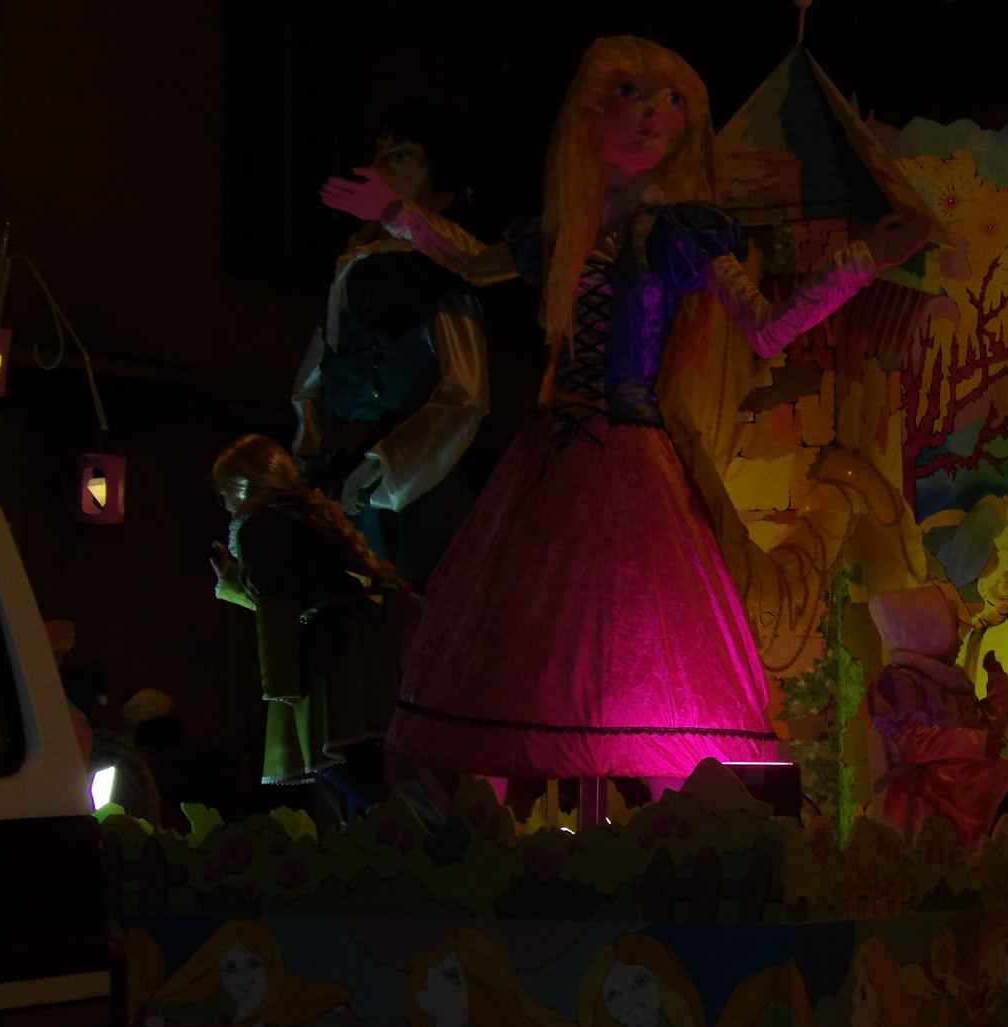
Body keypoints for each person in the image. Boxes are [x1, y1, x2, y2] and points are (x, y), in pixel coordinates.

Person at [319, 36, 929, 800]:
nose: (651, 117)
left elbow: (766, 326)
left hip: (632, 458)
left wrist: (861, 260)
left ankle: (648, 812)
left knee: (641, 638)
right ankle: (529, 814)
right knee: (535, 637)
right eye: (631, 96)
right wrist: (397, 213)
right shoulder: (562, 233)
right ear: (589, 113)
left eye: (672, 104)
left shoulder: (678, 232)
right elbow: (476, 262)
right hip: (552, 456)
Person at [292, 102, 488, 591]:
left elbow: (464, 393)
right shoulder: (354, 263)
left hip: (416, 486)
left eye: (401, 156)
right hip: (347, 480)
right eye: (378, 156)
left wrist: (388, 464)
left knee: (416, 603)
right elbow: (318, 370)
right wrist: (309, 454)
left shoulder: (437, 271)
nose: (381, 169)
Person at [209, 434, 411, 821]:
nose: (224, 502)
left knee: (341, 761)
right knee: (357, 761)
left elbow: (277, 607)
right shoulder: (308, 516)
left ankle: (398, 834)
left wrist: (281, 687)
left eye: (225, 491)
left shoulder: (261, 525)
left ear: (244, 485)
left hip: (330, 657)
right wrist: (234, 581)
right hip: (361, 651)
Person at [866, 584, 1008, 850]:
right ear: (927, 630)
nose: (962, 636)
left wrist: (1000, 690)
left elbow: (982, 730)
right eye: (953, 627)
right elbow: (911, 741)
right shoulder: (898, 682)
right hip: (932, 795)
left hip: (963, 782)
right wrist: (975, 743)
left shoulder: (947, 680)